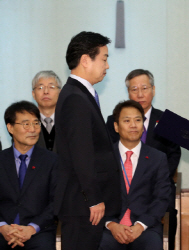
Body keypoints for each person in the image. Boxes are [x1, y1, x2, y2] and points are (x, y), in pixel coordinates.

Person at [54, 31, 122, 250]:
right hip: (81, 203)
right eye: (104, 58)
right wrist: (93, 198)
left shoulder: (80, 93)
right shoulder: (75, 97)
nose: (107, 65)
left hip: (81, 202)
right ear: (85, 60)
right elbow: (81, 153)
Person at [106, 69, 181, 250]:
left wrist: (156, 175)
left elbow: (174, 154)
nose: (140, 94)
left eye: (145, 88)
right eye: (134, 89)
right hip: (119, 189)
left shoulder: (166, 120)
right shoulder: (112, 120)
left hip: (156, 183)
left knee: (168, 210)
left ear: (153, 90)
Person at [99, 100, 171, 250]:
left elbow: (162, 197)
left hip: (145, 227)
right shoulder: (102, 158)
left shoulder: (157, 158)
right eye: (127, 120)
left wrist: (140, 226)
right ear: (116, 126)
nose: (133, 125)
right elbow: (95, 196)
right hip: (110, 227)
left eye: (138, 120)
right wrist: (111, 224)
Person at [0, 101, 57, 249]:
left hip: (39, 231)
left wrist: (31, 228)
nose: (33, 129)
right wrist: (3, 227)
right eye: (26, 124)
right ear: (10, 127)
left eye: (36, 123)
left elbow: (56, 202)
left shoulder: (52, 160)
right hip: (3, 229)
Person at [32, 70, 62, 152]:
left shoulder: (70, 121)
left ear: (60, 93)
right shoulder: (26, 125)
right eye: (40, 88)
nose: (46, 92)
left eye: (51, 87)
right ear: (33, 94)